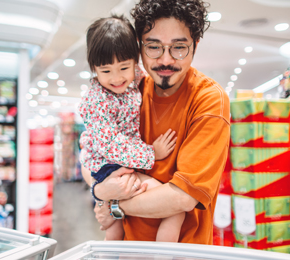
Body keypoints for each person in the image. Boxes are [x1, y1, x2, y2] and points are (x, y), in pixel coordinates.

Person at [82, 0, 231, 244]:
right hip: (129, 249)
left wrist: (113, 203)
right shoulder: (128, 90)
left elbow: (182, 198)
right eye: (153, 47)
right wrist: (99, 191)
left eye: (179, 47)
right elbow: (91, 153)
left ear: (195, 45)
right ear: (139, 47)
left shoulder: (209, 101)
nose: (165, 60)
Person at [78, 14, 185, 242]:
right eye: (105, 71)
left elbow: (145, 74)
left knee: (115, 229)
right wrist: (151, 153)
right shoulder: (96, 101)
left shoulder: (135, 76)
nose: (117, 78)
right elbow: (110, 146)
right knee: (175, 210)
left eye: (124, 68)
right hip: (111, 164)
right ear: (94, 68)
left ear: (135, 61)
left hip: (120, 163)